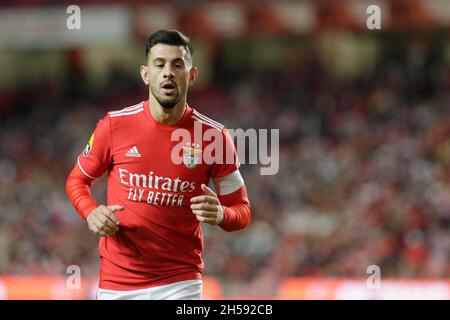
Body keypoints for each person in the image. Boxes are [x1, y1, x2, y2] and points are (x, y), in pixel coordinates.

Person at [65, 29, 251, 300]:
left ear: (192, 75)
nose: (168, 72)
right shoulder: (114, 126)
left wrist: (222, 214)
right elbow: (76, 181)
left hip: (180, 284)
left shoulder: (214, 137)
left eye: (178, 65)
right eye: (159, 64)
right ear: (145, 74)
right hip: (118, 285)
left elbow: (242, 211)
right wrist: (91, 212)